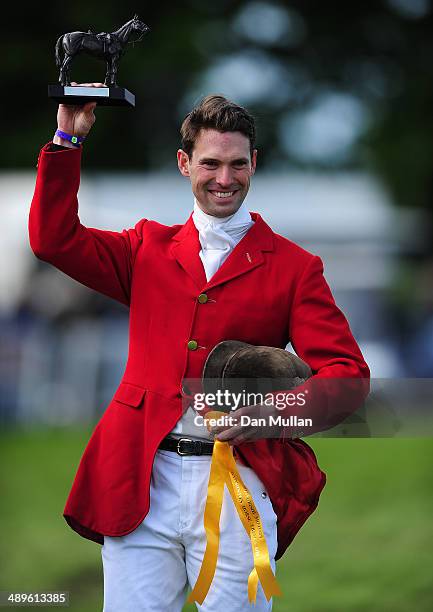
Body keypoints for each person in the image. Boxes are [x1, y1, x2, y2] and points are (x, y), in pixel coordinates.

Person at [28, 88, 370, 611]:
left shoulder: (296, 268)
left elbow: (348, 377)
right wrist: (68, 137)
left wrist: (271, 412)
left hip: (239, 486)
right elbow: (53, 239)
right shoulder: (145, 248)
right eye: (210, 163)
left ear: (254, 163)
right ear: (185, 164)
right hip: (142, 484)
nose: (225, 179)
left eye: (237, 164)